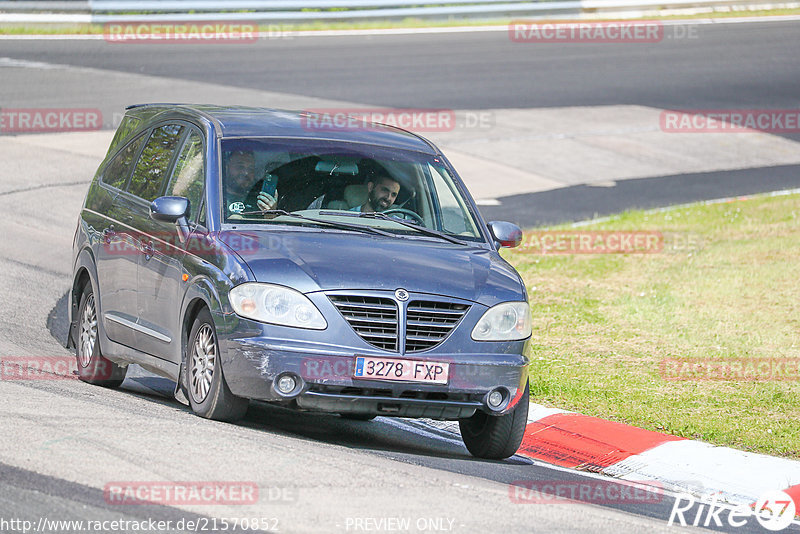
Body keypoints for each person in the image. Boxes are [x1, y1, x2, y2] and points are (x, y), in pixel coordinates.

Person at [224, 150, 278, 218]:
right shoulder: (216, 199)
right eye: (240, 167)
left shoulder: (260, 201)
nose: (246, 173)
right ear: (226, 168)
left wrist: (271, 215)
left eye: (250, 169)